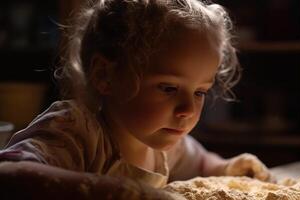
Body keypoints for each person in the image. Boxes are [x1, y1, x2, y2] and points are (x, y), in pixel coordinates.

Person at [0, 0, 272, 199]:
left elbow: (201, 163)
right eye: (168, 88)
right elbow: (10, 174)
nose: (188, 109)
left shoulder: (165, 144)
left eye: (199, 92)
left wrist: (227, 167)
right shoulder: (74, 131)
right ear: (105, 75)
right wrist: (126, 192)